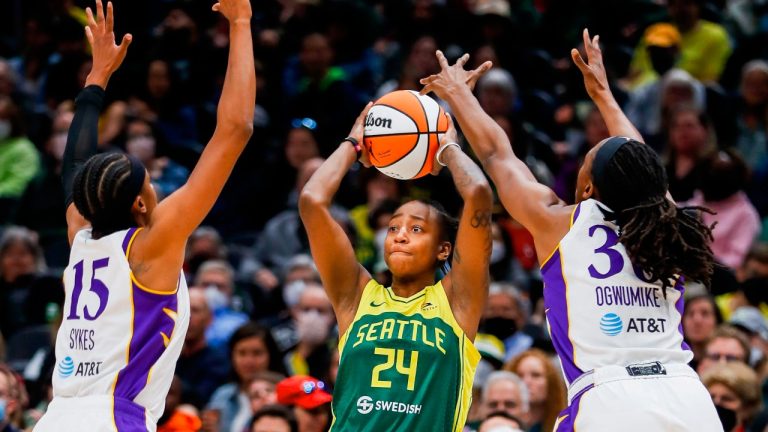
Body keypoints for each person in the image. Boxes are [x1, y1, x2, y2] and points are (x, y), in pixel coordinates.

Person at [420, 29, 720, 431]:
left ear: (588, 187)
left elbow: (496, 155)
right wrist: (603, 94)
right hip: (688, 396)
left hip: (612, 399)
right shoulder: (667, 222)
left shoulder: (561, 224)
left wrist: (457, 95)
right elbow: (639, 158)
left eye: (589, 156)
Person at [34, 0, 255, 430]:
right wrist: (241, 22)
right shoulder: (153, 242)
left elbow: (74, 167)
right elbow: (235, 130)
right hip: (113, 418)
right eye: (149, 182)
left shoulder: (81, 237)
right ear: (140, 203)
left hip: (55, 416)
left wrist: (97, 78)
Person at [299, 101, 493, 429]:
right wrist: (354, 143)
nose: (400, 236)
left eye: (416, 228)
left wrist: (447, 149)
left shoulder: (457, 300)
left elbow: (479, 192)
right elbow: (311, 201)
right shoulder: (357, 296)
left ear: (444, 250)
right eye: (393, 228)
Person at [204, 323, 284, 432]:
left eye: (257, 353)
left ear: (271, 355)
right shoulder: (223, 394)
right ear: (232, 356)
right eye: (242, 353)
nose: (248, 361)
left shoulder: (284, 394)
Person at [504, 349, 566, 432]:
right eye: (519, 375)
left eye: (536, 375)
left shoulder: (566, 426)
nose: (526, 382)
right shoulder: (496, 424)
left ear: (551, 383)